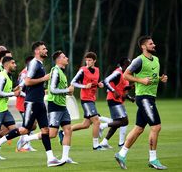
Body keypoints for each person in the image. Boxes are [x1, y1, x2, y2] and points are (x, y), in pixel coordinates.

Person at [0, 41, 65, 167]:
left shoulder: (40, 64)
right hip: (32, 102)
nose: (46, 50)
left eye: (46, 48)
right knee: (25, 129)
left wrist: (29, 87)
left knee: (45, 130)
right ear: (37, 51)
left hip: (39, 102)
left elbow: (26, 83)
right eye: (44, 48)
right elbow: (28, 81)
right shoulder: (34, 64)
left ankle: (50, 158)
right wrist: (44, 79)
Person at [115, 36, 168, 170]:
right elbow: (125, 75)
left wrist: (161, 79)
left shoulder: (156, 60)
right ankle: (153, 159)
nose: (154, 45)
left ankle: (121, 154)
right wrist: (140, 80)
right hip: (143, 98)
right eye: (151, 43)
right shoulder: (139, 60)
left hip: (150, 97)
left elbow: (152, 78)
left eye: (153, 43)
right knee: (156, 127)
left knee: (139, 129)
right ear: (143, 47)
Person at [46, 51, 77, 164]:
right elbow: (53, 90)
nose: (67, 58)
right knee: (51, 134)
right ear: (58, 60)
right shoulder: (55, 71)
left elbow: (62, 91)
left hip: (62, 106)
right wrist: (67, 90)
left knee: (68, 130)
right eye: (64, 57)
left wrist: (69, 93)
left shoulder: (62, 73)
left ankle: (65, 158)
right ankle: (26, 138)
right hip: (54, 105)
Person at [70, 52, 105, 150]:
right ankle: (96, 145)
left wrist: (99, 84)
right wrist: (84, 86)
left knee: (85, 125)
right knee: (97, 122)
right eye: (86, 60)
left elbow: (95, 83)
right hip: (85, 99)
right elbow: (73, 82)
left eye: (90, 60)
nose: (88, 62)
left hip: (92, 99)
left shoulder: (97, 70)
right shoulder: (83, 70)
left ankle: (65, 132)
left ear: (94, 61)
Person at [99, 57, 134, 149]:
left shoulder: (126, 75)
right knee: (124, 121)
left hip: (118, 101)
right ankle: (102, 126)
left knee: (117, 122)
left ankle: (104, 142)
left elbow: (123, 91)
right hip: (113, 99)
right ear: (123, 64)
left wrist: (130, 97)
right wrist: (113, 90)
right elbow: (106, 81)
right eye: (128, 64)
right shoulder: (118, 72)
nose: (130, 66)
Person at [15, 55, 36, 152]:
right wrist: (29, 95)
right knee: (29, 124)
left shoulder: (30, 73)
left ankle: (25, 142)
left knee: (32, 124)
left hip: (29, 103)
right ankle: (24, 144)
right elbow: (19, 90)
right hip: (22, 103)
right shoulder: (24, 74)